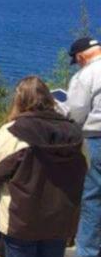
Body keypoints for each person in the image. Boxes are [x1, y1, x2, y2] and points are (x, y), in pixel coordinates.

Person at [0, 76, 87, 257]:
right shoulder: (75, 133)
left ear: (19, 100)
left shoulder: (14, 132)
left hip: (22, 218)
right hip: (60, 218)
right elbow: (85, 167)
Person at [56, 37, 101, 257]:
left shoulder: (86, 76)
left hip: (97, 139)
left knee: (93, 199)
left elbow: (76, 113)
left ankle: (88, 252)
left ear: (81, 56)